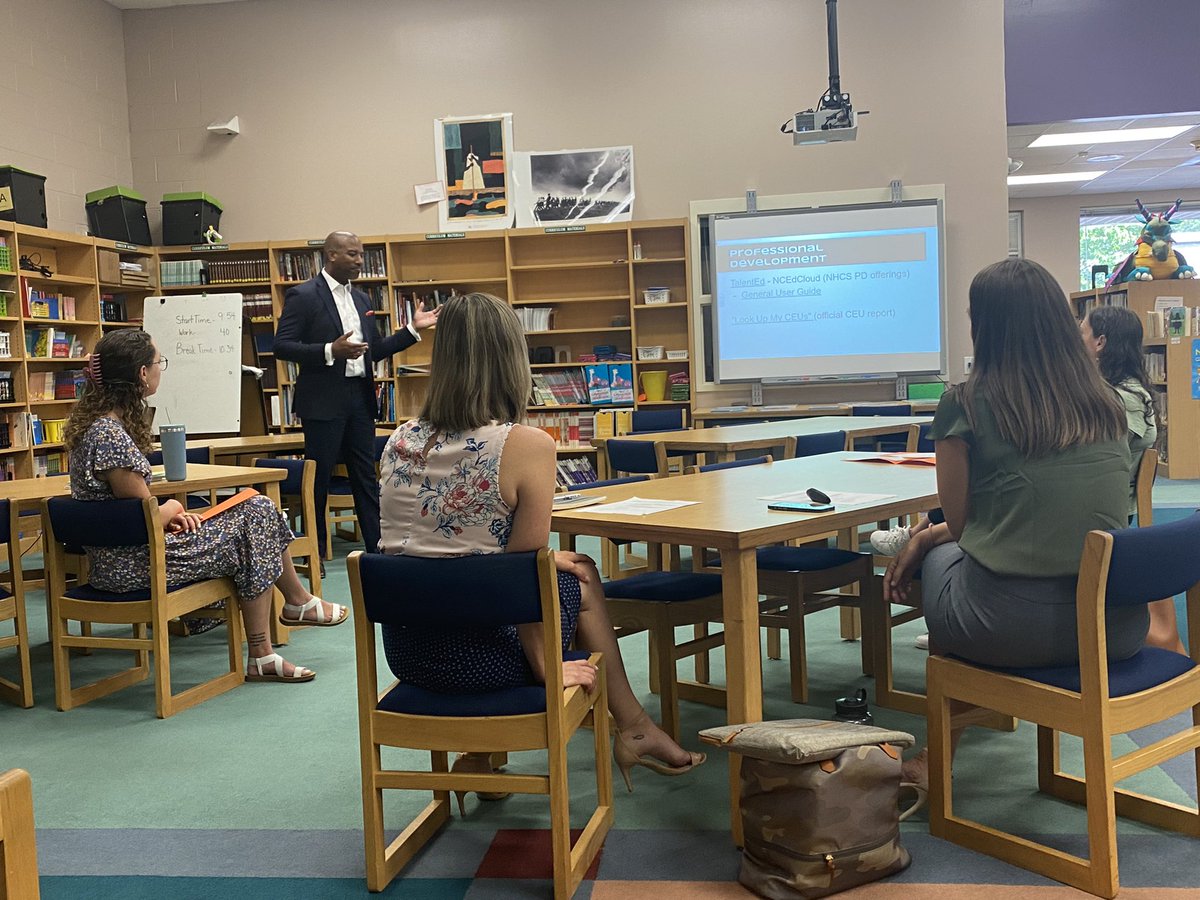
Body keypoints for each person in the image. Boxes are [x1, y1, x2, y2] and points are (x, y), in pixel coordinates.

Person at [377, 292, 704, 803]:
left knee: (557, 567)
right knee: (580, 576)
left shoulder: (398, 439)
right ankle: (635, 727)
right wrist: (547, 666)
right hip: (481, 663)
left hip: (408, 655)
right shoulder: (526, 445)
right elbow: (523, 585)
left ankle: (483, 754)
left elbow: (430, 549)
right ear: (512, 359)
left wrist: (539, 564)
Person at [882, 259, 1141, 789]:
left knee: (942, 558)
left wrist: (926, 538)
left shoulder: (964, 403)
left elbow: (963, 526)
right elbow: (1015, 516)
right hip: (1114, 627)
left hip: (1007, 629)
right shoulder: (1109, 404)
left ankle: (937, 759)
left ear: (985, 326)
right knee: (950, 551)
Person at [64, 330, 348, 682]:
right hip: (136, 566)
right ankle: (281, 625)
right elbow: (141, 515)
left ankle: (286, 618)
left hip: (119, 561)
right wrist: (171, 509)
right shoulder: (110, 435)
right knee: (256, 517)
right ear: (141, 373)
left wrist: (169, 515)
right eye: (158, 362)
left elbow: (128, 512)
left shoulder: (94, 428)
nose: (160, 369)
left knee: (253, 510)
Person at [274, 231, 439, 561]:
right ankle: (314, 553)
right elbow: (282, 346)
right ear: (331, 255)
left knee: (365, 476)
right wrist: (329, 350)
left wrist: (412, 330)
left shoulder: (362, 299)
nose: (360, 261)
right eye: (352, 254)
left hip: (359, 399)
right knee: (318, 479)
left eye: (362, 254)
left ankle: (378, 549)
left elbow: (374, 350)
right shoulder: (303, 295)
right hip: (322, 402)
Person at [1081, 305, 1182, 652]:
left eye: (1082, 333)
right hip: (1106, 507)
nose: (1076, 340)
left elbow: (1096, 463)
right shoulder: (1125, 392)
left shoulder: (1120, 400)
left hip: (1101, 513)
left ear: (1100, 343)